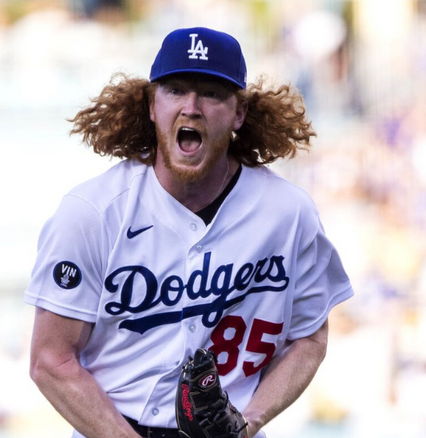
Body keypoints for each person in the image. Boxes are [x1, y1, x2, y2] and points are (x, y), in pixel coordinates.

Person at [25, 27, 354, 438]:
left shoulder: (288, 213)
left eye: (212, 93)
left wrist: (249, 422)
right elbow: (50, 361)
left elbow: (309, 340)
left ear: (239, 112)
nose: (192, 107)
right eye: (176, 89)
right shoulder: (92, 213)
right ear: (151, 104)